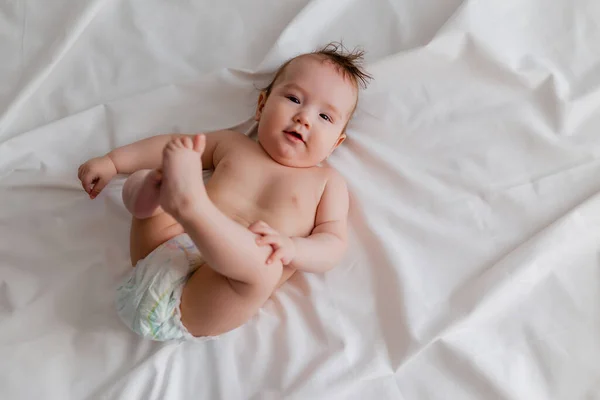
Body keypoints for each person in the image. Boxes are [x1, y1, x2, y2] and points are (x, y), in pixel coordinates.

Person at [77, 43, 372, 341]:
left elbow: (333, 243)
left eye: (325, 117)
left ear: (336, 142)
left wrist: (294, 249)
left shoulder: (327, 183)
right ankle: (166, 199)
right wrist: (114, 162)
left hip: (205, 297)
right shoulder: (233, 144)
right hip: (159, 252)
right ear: (261, 106)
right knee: (149, 179)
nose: (303, 117)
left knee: (265, 269)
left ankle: (193, 208)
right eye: (294, 98)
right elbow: (172, 144)